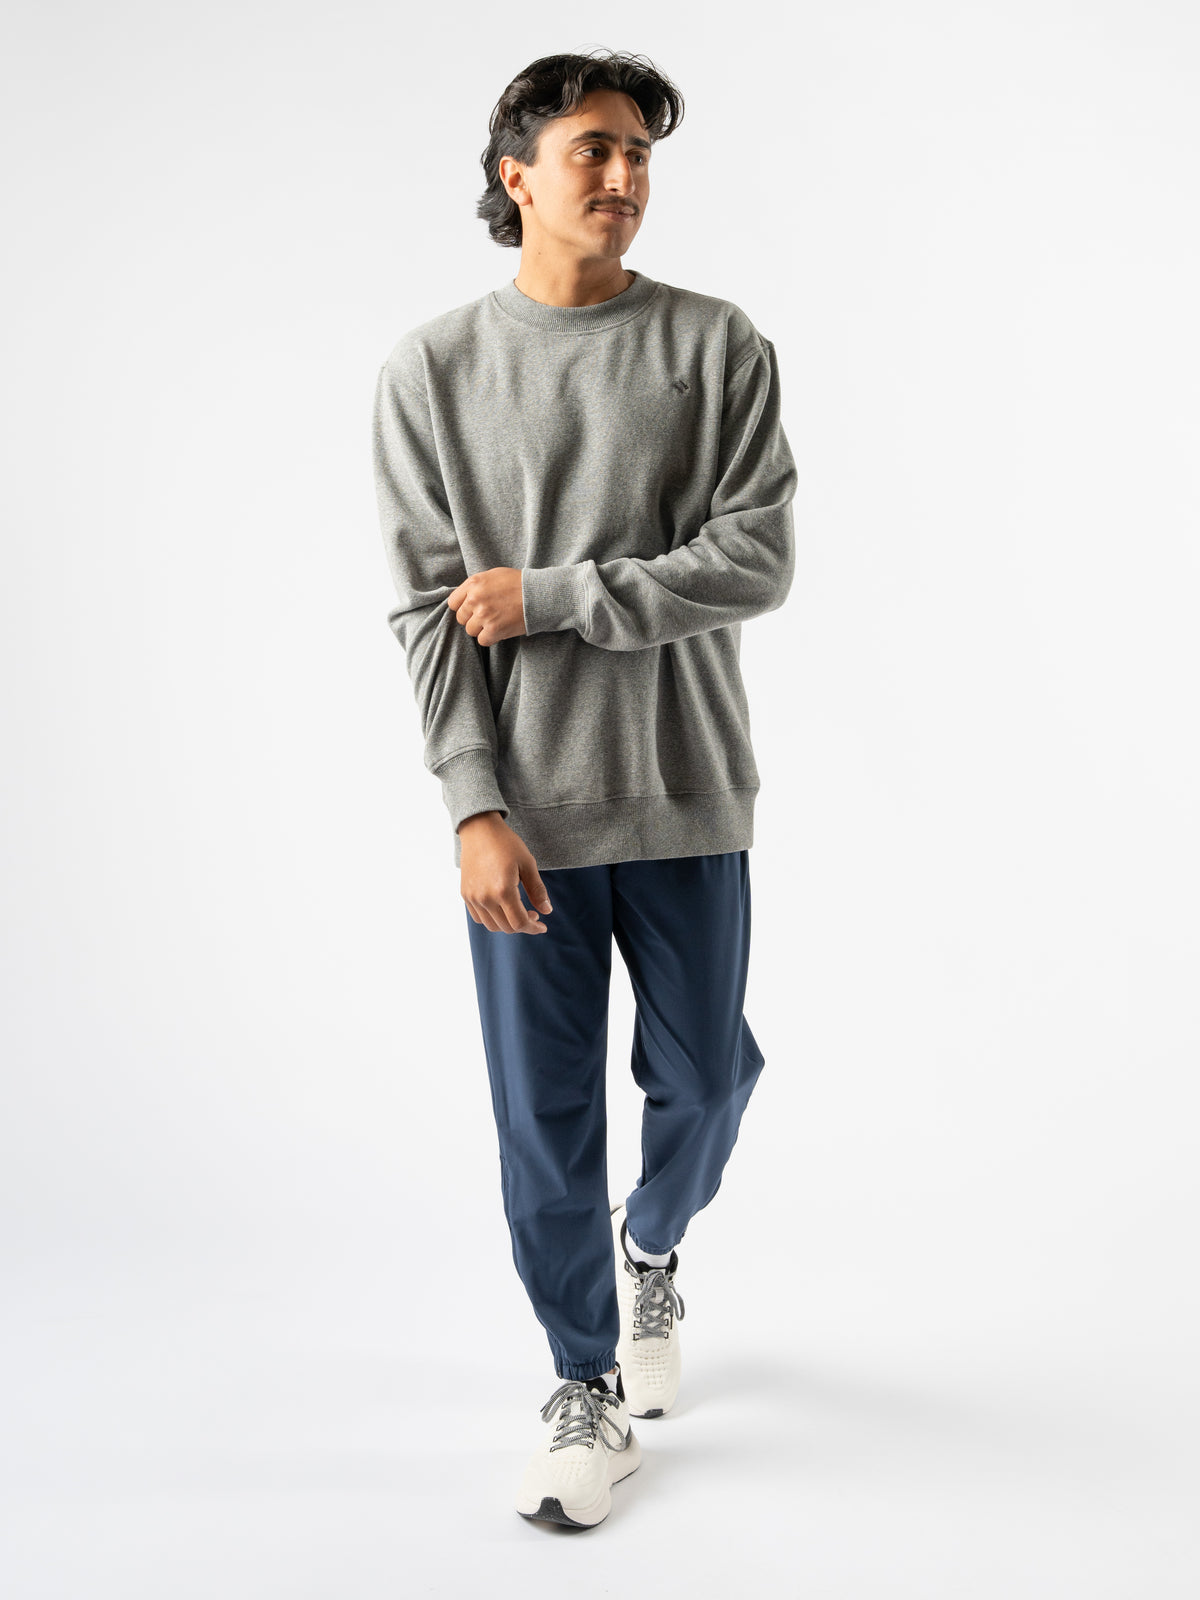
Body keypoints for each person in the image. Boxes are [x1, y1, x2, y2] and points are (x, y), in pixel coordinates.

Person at [371, 47, 797, 1529]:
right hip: (528, 817)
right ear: (519, 177)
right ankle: (583, 1383)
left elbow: (756, 560)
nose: (623, 178)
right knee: (545, 1119)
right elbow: (429, 612)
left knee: (709, 1079)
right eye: (593, 152)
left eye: (638, 154)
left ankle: (652, 1250)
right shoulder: (433, 371)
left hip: (685, 789)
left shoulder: (715, 346)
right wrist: (471, 805)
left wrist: (550, 594)